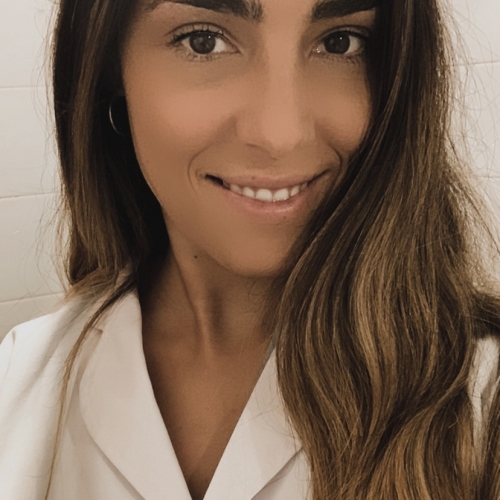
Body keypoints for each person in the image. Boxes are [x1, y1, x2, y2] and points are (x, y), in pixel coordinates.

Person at [1, 0, 500, 498]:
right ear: (110, 68)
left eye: (339, 42)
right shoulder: (21, 379)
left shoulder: (482, 396)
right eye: (203, 41)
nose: (281, 135)